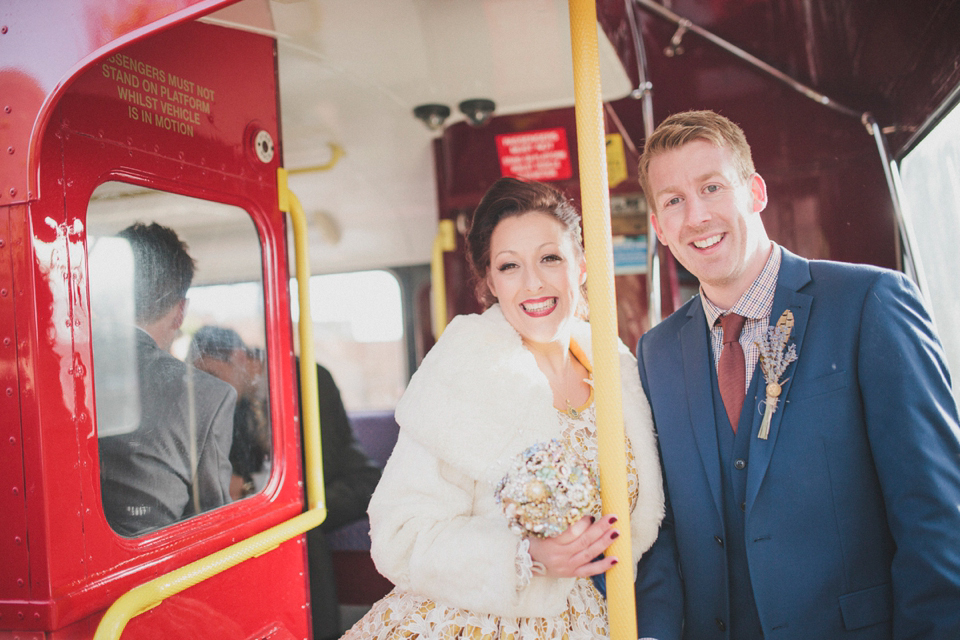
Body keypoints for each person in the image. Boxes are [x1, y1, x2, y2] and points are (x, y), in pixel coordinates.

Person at [632, 110, 960, 639]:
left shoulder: (869, 304)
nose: (696, 216)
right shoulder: (656, 352)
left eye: (712, 187)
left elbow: (938, 516)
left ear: (755, 192)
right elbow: (661, 529)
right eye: (673, 201)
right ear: (659, 228)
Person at [343, 177, 664, 638]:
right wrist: (525, 556)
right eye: (510, 266)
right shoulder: (461, 374)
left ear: (581, 266)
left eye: (550, 258)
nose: (533, 283)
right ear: (490, 280)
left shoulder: (617, 370)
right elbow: (400, 534)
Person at [98, 222, 236, 537]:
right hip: (153, 578)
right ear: (180, 312)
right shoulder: (208, 396)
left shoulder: (46, 376)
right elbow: (212, 521)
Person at [295, 358, 382, 640]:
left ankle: (323, 632)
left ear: (237, 358)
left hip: (353, 481)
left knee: (305, 522)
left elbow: (326, 458)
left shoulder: (309, 376)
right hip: (308, 488)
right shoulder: (243, 399)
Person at [188, 326, 271, 501]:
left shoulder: (300, 380)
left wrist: (249, 486)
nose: (208, 389)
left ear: (239, 357)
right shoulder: (235, 401)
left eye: (212, 375)